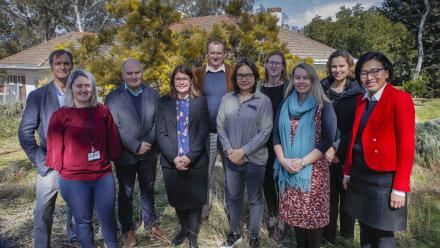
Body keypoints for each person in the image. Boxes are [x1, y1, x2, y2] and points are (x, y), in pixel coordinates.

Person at [343, 51, 415, 248]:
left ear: (387, 73)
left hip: (384, 178)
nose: (369, 77)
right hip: (360, 174)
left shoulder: (400, 99)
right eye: (363, 73)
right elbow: (355, 139)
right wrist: (348, 172)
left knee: (383, 233)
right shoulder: (362, 99)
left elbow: (407, 147)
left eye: (375, 71)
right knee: (365, 228)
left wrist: (400, 187)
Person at [45, 69, 121, 248]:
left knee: (108, 217)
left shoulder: (102, 110)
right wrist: (62, 170)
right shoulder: (61, 115)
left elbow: (113, 138)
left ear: (93, 88)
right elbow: (54, 145)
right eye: (79, 86)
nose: (83, 89)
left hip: (102, 175)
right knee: (83, 221)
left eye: (87, 85)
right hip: (74, 179)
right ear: (71, 88)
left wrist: (113, 157)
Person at [273, 63, 336, 248]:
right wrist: (283, 161)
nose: (301, 81)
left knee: (313, 217)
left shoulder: (323, 105)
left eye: (305, 78)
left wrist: (302, 163)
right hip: (289, 170)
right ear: (292, 80)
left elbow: (327, 140)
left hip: (313, 173)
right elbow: (276, 135)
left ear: (313, 80)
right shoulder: (285, 104)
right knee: (296, 214)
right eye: (297, 77)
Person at [18, 49, 77, 247]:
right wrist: (39, 160)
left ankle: (75, 240)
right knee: (43, 211)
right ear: (52, 67)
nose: (62, 67)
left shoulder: (80, 91)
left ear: (71, 66)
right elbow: (25, 132)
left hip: (76, 164)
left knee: (78, 208)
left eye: (66, 63)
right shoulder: (37, 96)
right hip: (49, 164)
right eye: (58, 63)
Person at [105, 58, 163, 247]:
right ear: (123, 75)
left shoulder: (153, 94)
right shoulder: (113, 98)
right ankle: (128, 229)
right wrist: (135, 145)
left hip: (149, 151)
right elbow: (114, 127)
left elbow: (158, 122)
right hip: (126, 154)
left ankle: (151, 223)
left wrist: (146, 142)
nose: (133, 76)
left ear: (142, 73)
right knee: (126, 192)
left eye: (137, 72)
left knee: (148, 188)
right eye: (129, 73)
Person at [218, 59, 273, 248]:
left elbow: (265, 131)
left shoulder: (263, 101)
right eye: (240, 75)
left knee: (255, 198)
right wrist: (229, 150)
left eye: (248, 75)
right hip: (231, 158)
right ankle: (235, 233)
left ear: (255, 77)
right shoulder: (227, 99)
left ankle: (255, 235)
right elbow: (220, 125)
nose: (244, 78)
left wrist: (243, 151)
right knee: (234, 196)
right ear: (235, 77)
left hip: (255, 160)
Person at [156, 65, 209, 248]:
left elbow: (203, 132)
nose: (181, 82)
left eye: (185, 79)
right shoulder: (164, 102)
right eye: (177, 79)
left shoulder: (201, 101)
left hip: (195, 160)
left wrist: (190, 156)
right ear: (173, 81)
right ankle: (184, 228)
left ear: (191, 81)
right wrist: (173, 157)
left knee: (195, 200)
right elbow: (160, 133)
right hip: (172, 161)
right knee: (178, 198)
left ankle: (193, 235)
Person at [320, 50, 363, 243]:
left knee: (347, 197)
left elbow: (356, 126)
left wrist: (337, 148)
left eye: (341, 66)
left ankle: (346, 237)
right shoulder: (321, 88)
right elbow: (317, 122)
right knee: (328, 198)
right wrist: (328, 148)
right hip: (324, 152)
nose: (337, 70)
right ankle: (328, 237)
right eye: (334, 66)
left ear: (349, 67)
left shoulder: (358, 91)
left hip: (347, 152)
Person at [193, 39, 234, 219]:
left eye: (219, 52)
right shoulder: (198, 74)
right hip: (207, 132)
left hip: (229, 133)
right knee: (205, 171)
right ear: (207, 54)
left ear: (224, 54)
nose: (216, 56)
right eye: (212, 52)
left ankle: (230, 208)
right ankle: (204, 208)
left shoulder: (233, 73)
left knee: (231, 172)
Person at [258, 51, 289, 242]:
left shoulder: (288, 88)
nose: (274, 66)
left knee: (283, 181)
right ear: (266, 65)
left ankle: (283, 221)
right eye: (271, 62)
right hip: (263, 142)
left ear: (283, 66)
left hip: (284, 142)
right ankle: (272, 215)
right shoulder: (259, 88)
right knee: (267, 180)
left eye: (278, 63)